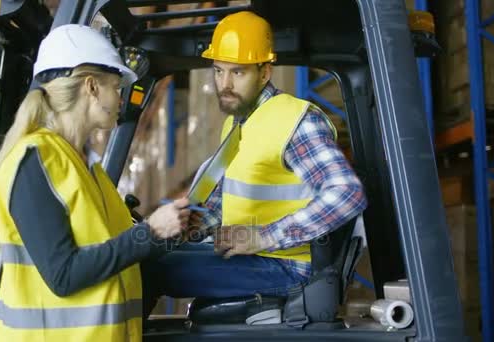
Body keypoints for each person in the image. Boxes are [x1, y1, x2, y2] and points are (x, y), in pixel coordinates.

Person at [142, 11, 367, 315]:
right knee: (148, 257)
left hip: (288, 267)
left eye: (238, 73)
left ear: (265, 72)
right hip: (257, 256)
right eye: (219, 71)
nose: (225, 83)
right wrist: (188, 227)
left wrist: (263, 236)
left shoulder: (295, 120)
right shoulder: (239, 125)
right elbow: (225, 203)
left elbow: (347, 192)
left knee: (147, 273)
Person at [0, 24, 191, 341]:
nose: (122, 98)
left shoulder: (89, 171)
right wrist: (149, 232)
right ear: (91, 87)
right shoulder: (35, 162)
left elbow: (116, 255)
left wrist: (170, 232)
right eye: (117, 87)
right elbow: (63, 275)